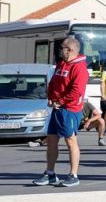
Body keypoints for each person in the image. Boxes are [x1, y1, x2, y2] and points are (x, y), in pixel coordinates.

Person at [32, 35, 89, 187]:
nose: (60, 51)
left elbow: (76, 91)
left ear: (69, 50)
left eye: (62, 48)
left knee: (71, 140)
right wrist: (51, 98)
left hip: (70, 110)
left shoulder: (79, 68)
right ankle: (50, 173)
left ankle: (73, 175)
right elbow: (52, 83)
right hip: (57, 109)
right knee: (51, 139)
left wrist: (61, 102)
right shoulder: (61, 64)